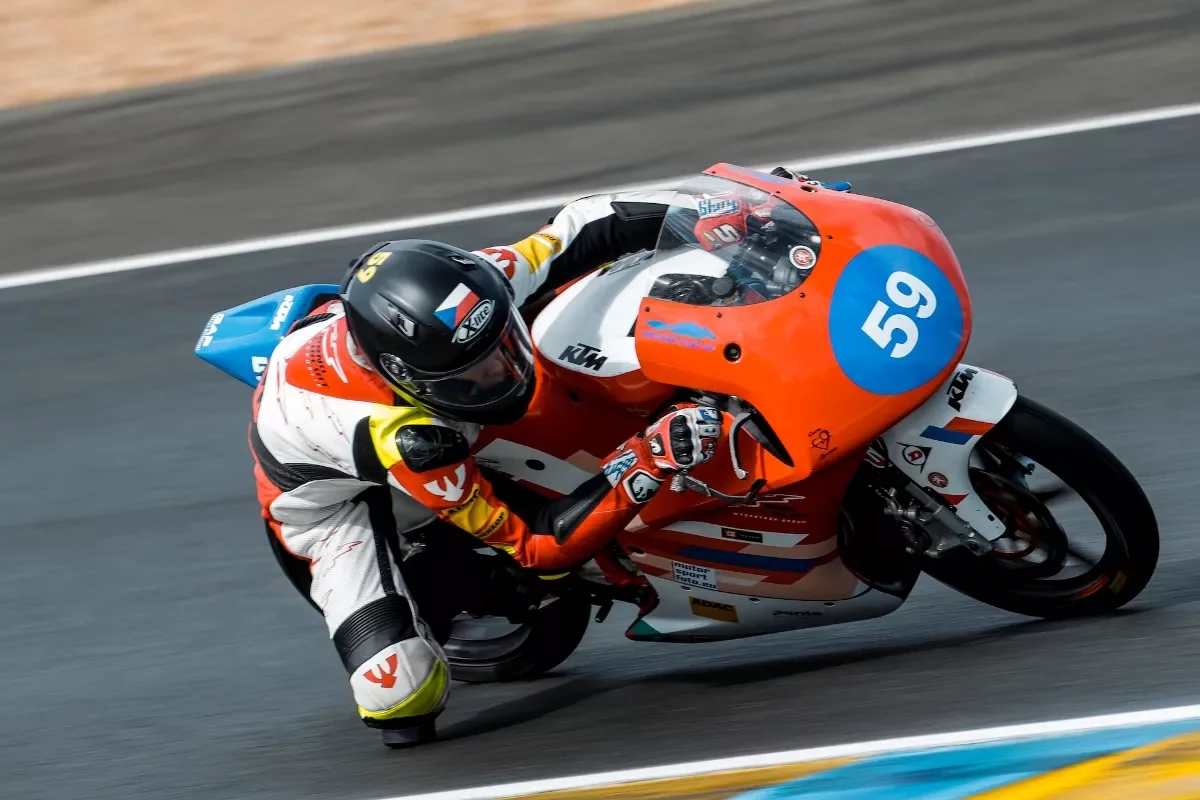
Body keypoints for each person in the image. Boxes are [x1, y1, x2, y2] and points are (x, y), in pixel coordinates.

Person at [249, 187, 735, 748]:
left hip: (414, 404)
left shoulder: (476, 290)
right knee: (401, 698)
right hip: (338, 507)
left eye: (503, 346)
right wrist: (647, 459)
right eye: (469, 376)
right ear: (406, 377)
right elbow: (536, 546)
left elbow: (585, 224)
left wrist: (713, 209)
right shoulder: (410, 439)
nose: (500, 374)